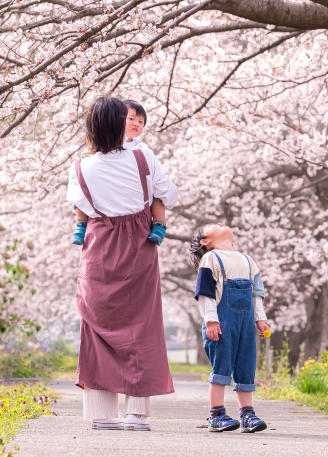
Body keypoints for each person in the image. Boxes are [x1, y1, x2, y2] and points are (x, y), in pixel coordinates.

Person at [66, 97, 177, 431]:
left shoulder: (80, 166)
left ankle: (101, 413)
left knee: (96, 323)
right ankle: (136, 414)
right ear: (120, 125)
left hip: (98, 244)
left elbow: (81, 208)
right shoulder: (142, 157)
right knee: (140, 323)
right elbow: (168, 196)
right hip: (139, 243)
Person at [190, 223, 270, 433]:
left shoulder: (247, 259)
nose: (220, 223)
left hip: (245, 323)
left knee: (246, 366)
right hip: (221, 321)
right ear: (205, 241)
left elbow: (257, 293)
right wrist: (211, 321)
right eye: (211, 225)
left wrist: (260, 319)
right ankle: (216, 415)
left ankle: (247, 414)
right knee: (221, 367)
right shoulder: (211, 258)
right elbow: (205, 292)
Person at [71, 99, 168, 245]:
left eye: (141, 122)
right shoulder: (144, 155)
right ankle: (80, 224)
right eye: (130, 119)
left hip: (99, 238)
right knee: (79, 198)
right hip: (137, 235)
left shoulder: (141, 151)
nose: (136, 123)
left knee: (157, 195)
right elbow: (168, 192)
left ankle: (159, 224)